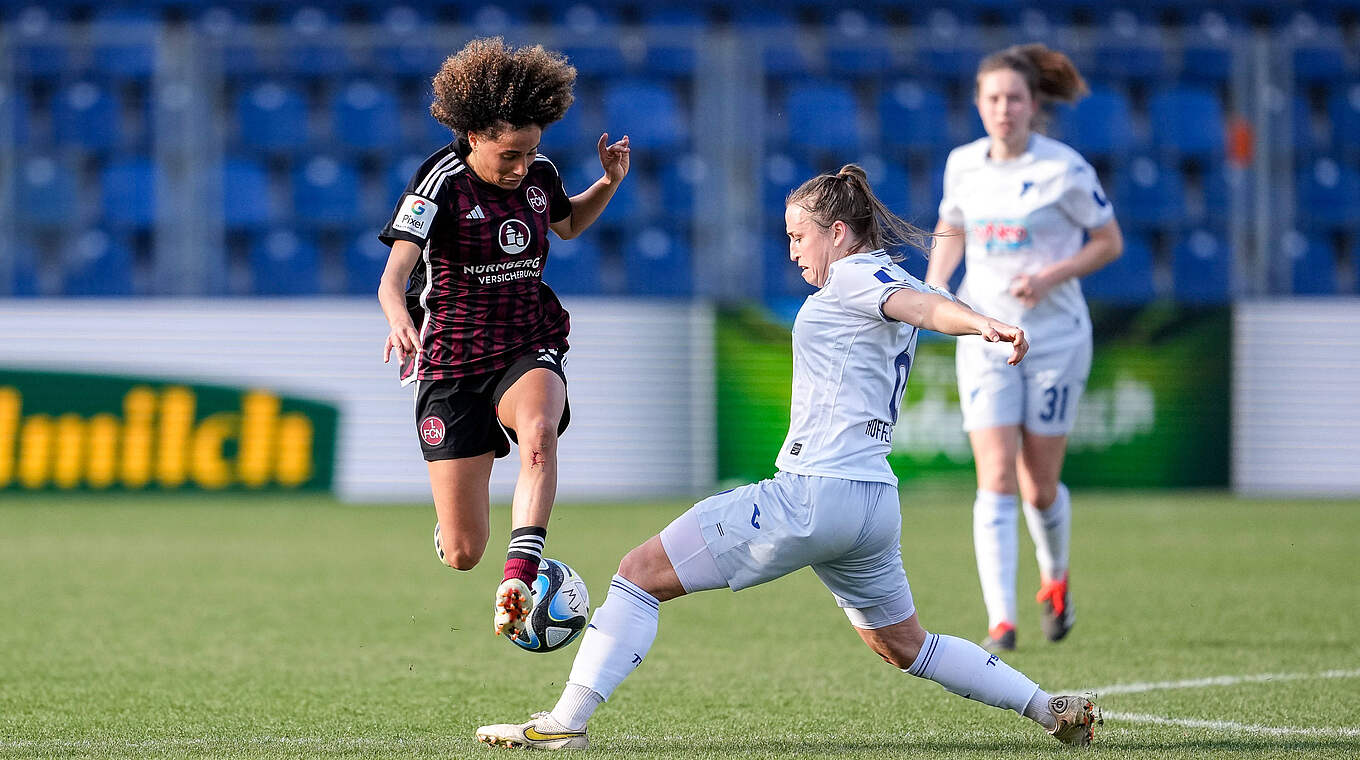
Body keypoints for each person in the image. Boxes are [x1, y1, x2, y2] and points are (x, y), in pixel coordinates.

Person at [476, 165, 1101, 750]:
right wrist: (969, 318)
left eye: (799, 236)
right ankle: (1049, 708)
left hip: (812, 495)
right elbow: (919, 299)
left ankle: (565, 723)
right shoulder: (893, 272)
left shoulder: (859, 275)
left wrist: (981, 323)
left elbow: (926, 309)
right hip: (872, 502)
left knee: (638, 574)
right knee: (906, 645)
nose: (794, 251)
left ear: (837, 232)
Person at [376, 37, 630, 640]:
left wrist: (608, 182)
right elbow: (393, 278)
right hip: (453, 360)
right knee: (464, 552)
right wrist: (399, 319)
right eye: (509, 154)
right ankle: (459, 527)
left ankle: (521, 573)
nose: (520, 167)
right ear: (472, 135)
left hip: (526, 339)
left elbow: (566, 225)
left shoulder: (540, 174)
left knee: (540, 428)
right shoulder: (439, 183)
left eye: (530, 152)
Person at [924, 44, 1124, 654]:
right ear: (979, 105)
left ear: (1033, 105)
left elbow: (1109, 242)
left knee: (1039, 487)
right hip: (987, 335)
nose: (1003, 109)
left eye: (1014, 98)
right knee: (994, 477)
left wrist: (1049, 276)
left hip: (1056, 338)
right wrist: (936, 286)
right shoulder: (963, 165)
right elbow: (952, 227)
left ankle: (1055, 578)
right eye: (992, 98)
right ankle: (1001, 622)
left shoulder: (1065, 169)